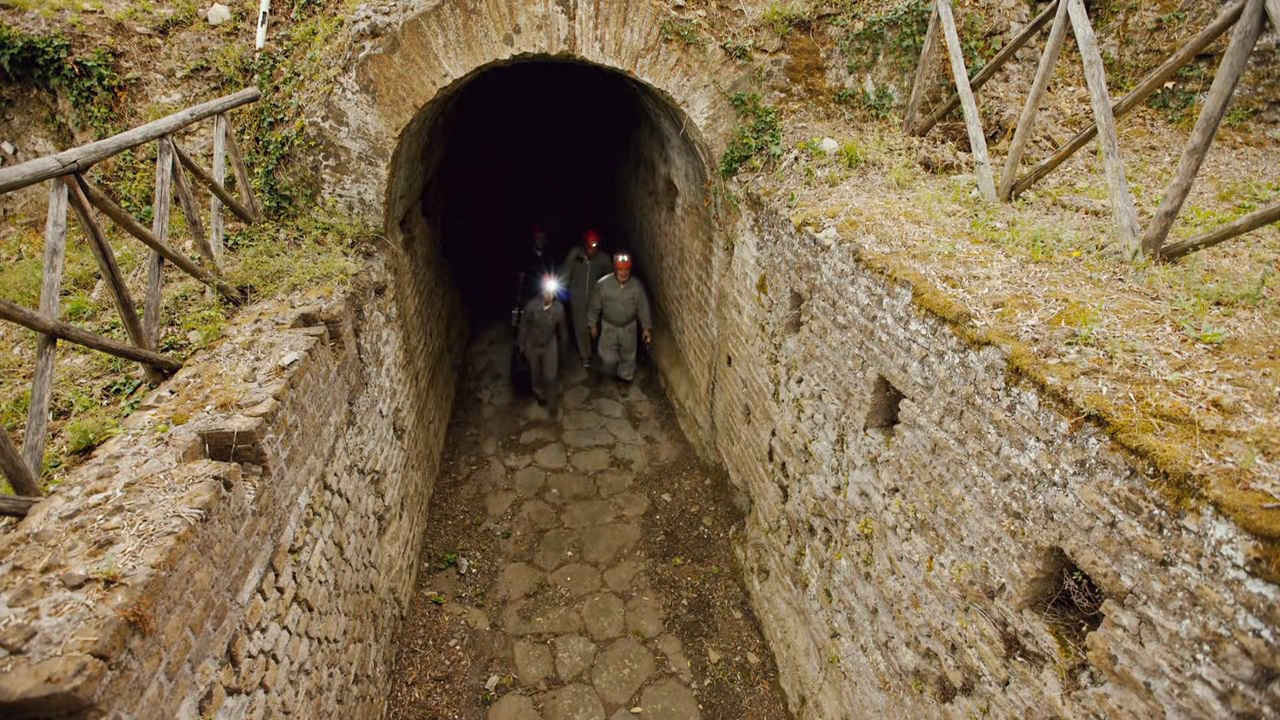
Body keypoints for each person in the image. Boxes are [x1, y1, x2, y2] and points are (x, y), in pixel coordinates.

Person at [588, 251, 652, 387]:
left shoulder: (636, 286)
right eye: (621, 270)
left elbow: (643, 307)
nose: (624, 273)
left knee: (628, 355)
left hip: (629, 327)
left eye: (626, 270)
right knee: (608, 357)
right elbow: (594, 305)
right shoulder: (603, 285)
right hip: (609, 326)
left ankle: (625, 380)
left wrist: (646, 328)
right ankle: (610, 372)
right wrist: (592, 324)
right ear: (615, 269)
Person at [559, 230, 614, 368]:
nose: (592, 251)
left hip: (594, 299)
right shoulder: (575, 255)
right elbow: (565, 272)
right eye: (590, 247)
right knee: (580, 327)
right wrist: (562, 288)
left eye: (595, 247)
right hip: (577, 298)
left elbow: (611, 276)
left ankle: (599, 352)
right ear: (584, 245)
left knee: (595, 326)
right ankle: (586, 355)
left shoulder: (603, 259)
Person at [518, 275, 569, 414]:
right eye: (546, 291)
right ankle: (539, 394)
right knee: (535, 373)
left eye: (551, 292)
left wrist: (564, 348)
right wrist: (521, 343)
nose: (549, 295)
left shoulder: (559, 309)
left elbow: (563, 330)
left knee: (550, 376)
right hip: (532, 343)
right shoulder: (531, 307)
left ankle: (552, 404)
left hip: (549, 344)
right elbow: (523, 325)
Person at [516, 226, 556, 306]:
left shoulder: (549, 256)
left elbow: (554, 274)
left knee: (547, 309)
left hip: (546, 293)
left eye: (543, 238)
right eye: (538, 238)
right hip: (530, 294)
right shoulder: (526, 255)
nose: (540, 240)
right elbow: (521, 277)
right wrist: (519, 294)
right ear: (534, 239)